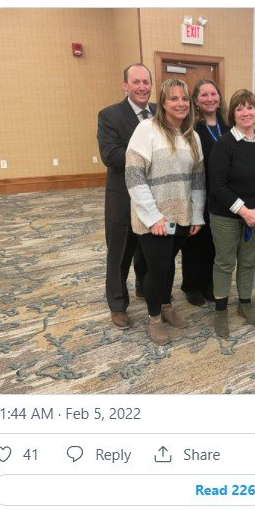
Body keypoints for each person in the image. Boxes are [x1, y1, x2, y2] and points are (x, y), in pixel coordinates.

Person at [125, 79, 206, 345]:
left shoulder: (192, 136)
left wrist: (196, 215)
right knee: (158, 268)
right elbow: (134, 176)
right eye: (173, 99)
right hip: (154, 219)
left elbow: (197, 179)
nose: (180, 104)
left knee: (169, 265)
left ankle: (167, 305)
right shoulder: (146, 130)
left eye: (184, 98)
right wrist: (153, 217)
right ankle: (154, 317)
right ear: (163, 103)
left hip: (180, 216)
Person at [208, 89, 255, 338]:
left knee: (249, 262)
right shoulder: (224, 144)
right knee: (225, 262)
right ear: (233, 114)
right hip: (226, 215)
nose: (245, 113)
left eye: (250, 107)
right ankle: (220, 311)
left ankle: (245, 304)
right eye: (239, 108)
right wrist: (244, 211)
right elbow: (217, 185)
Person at [97, 64, 156, 329]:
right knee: (120, 253)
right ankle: (118, 304)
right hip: (123, 197)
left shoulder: (159, 112)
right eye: (136, 82)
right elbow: (110, 155)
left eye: (146, 82)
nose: (142, 87)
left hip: (153, 197)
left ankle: (144, 287)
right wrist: (151, 159)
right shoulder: (110, 115)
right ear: (125, 85)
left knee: (146, 249)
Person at [180, 79, 230, 306]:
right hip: (198, 192)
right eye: (204, 95)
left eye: (213, 94)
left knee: (214, 242)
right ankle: (191, 285)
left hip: (222, 195)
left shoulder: (228, 125)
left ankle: (208, 283)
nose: (210, 99)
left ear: (219, 97)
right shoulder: (190, 129)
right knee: (194, 241)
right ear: (196, 101)